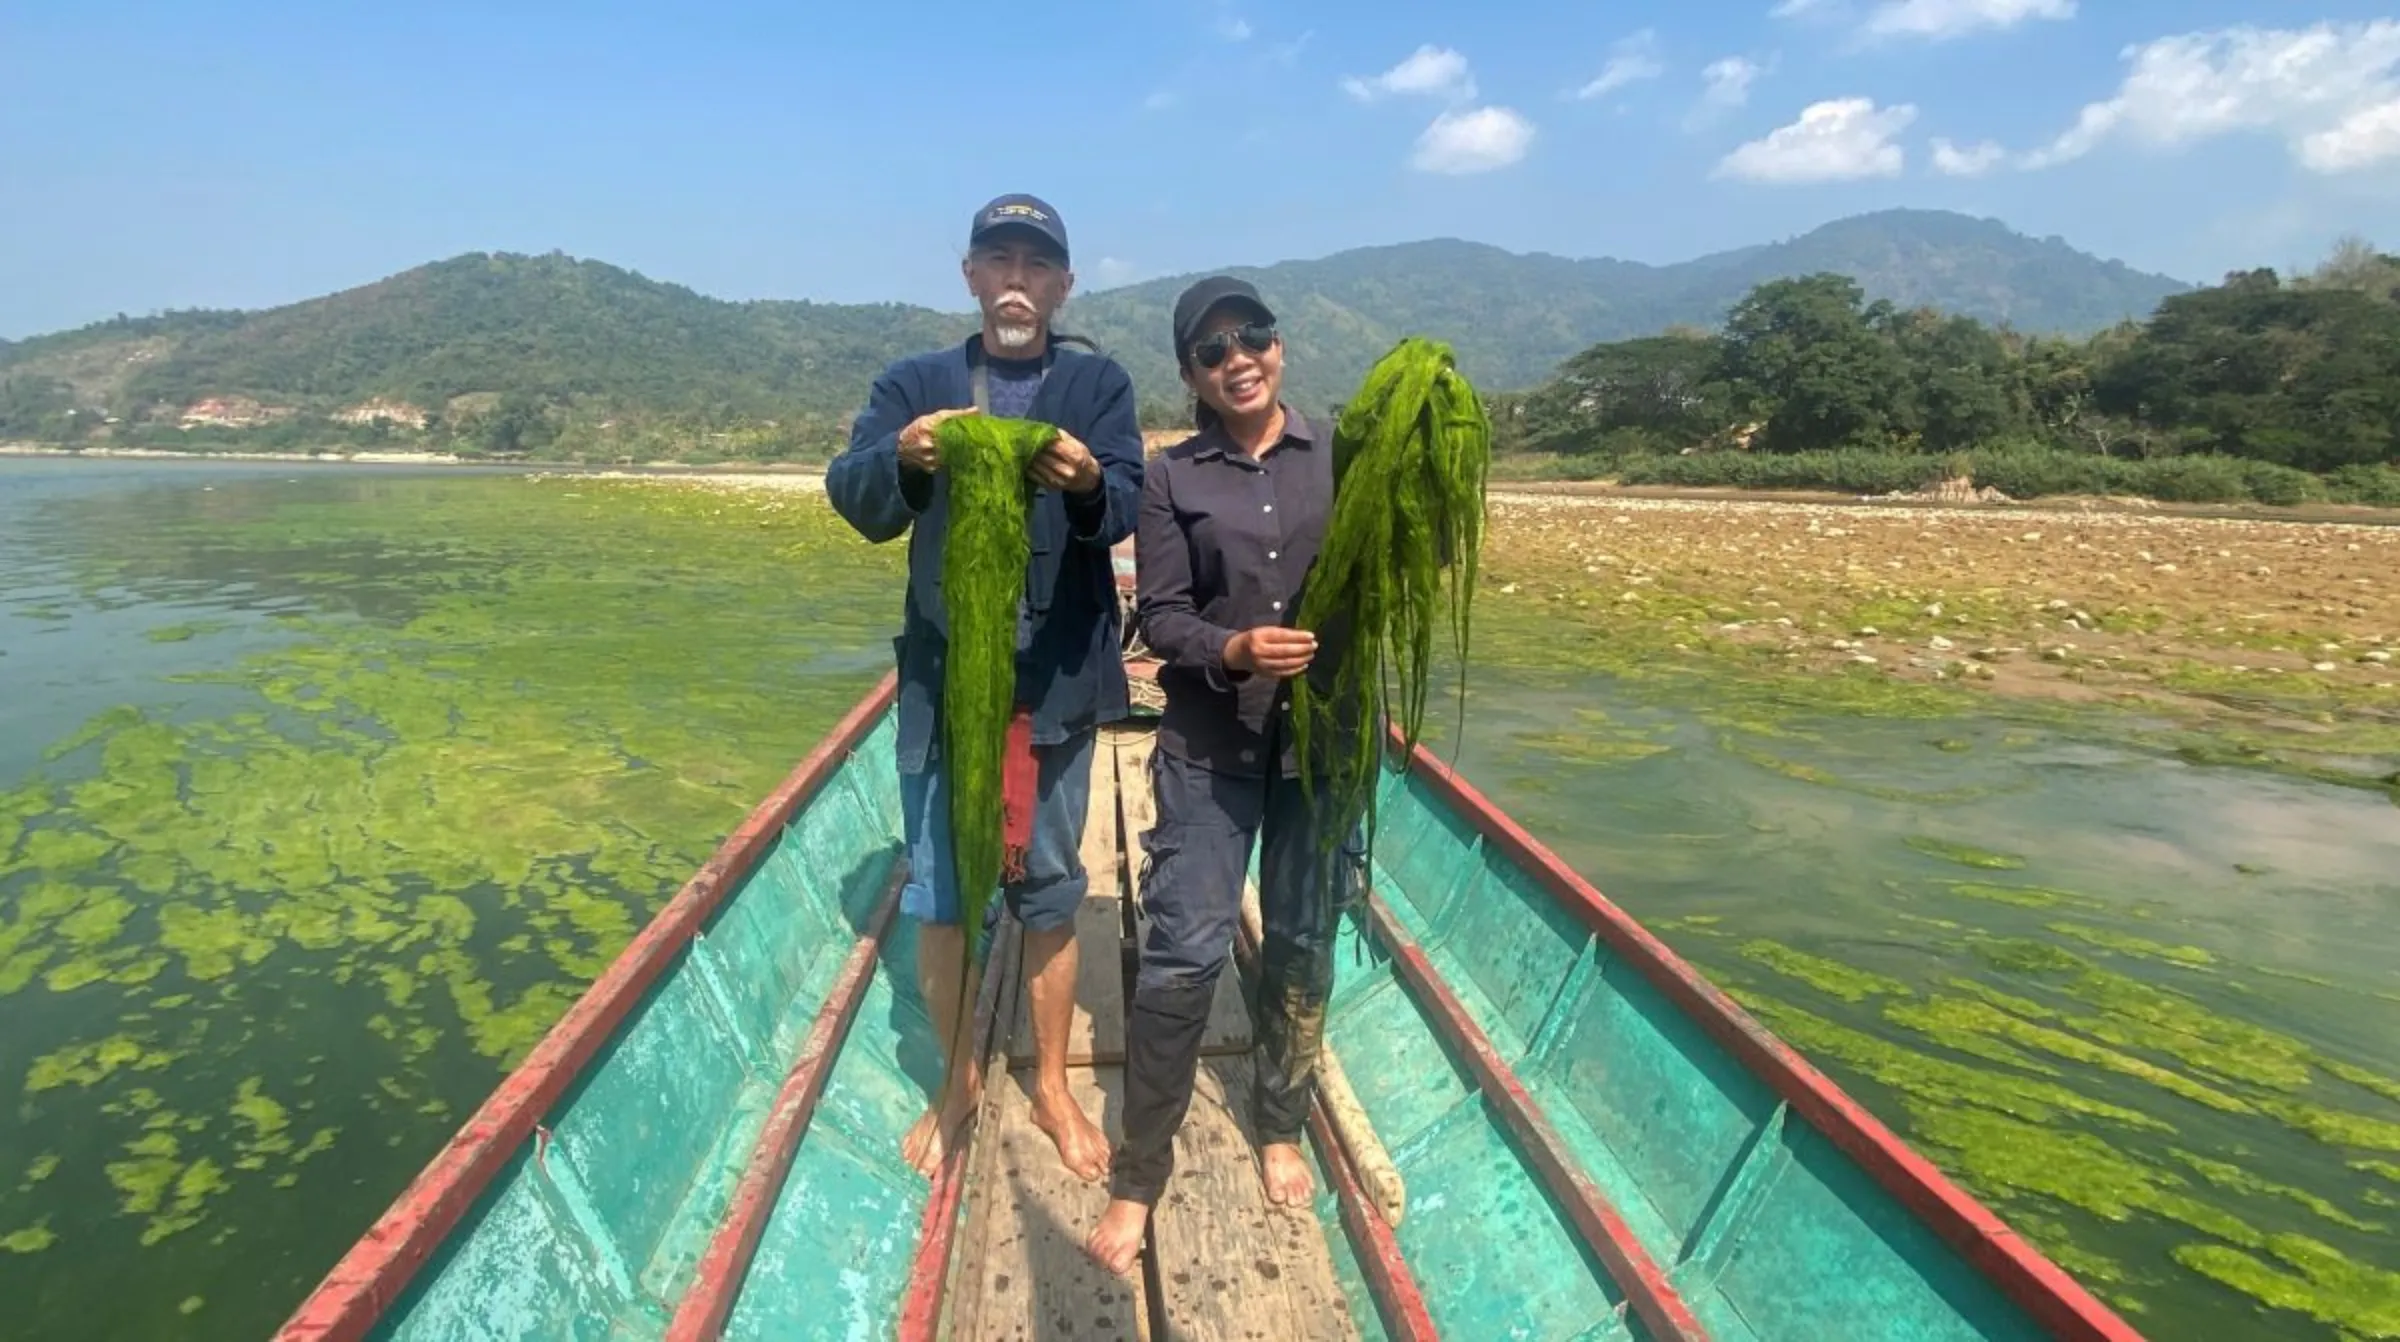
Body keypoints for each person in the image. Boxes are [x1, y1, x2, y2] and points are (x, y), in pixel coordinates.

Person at [825, 194, 1144, 1183]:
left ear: (1062, 285)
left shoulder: (1095, 384)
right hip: (939, 682)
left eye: (1036, 264)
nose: (1017, 279)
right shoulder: (915, 382)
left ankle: (1049, 1082)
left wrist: (1089, 480)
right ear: (969, 275)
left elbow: (1128, 501)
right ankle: (958, 1075)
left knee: (1049, 891)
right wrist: (903, 456)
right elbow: (854, 494)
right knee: (943, 892)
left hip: (1053, 684)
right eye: (998, 259)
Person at [1087, 276, 1370, 1272]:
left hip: (1321, 752)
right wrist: (1234, 648)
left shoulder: (1344, 452)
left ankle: (1279, 1120)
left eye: (1251, 337)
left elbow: (1386, 576)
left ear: (1280, 345)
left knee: (1300, 941)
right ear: (1190, 375)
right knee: (1184, 953)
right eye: (1212, 351)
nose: (1236, 358)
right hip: (1211, 746)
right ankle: (1138, 1175)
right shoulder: (1173, 478)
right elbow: (1159, 617)